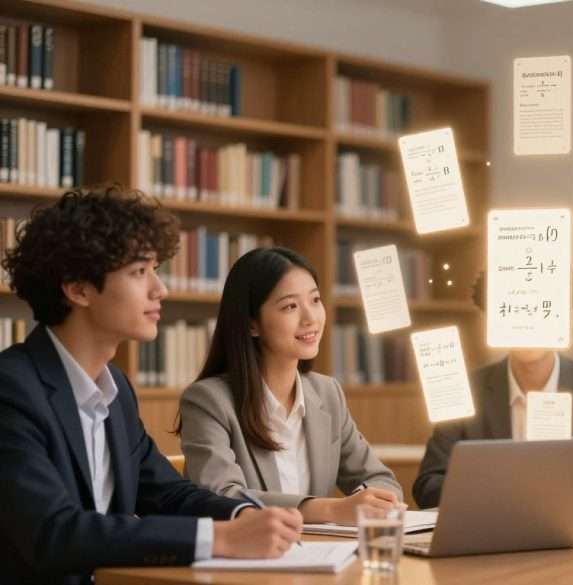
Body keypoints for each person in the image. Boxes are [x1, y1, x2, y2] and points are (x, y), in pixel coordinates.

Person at [0, 188, 302, 584]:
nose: (160, 289)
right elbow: (55, 532)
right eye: (139, 272)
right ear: (78, 289)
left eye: (155, 270)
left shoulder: (116, 392)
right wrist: (220, 537)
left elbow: (169, 494)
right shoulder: (12, 387)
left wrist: (242, 514)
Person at [178, 247, 402, 524]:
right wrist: (333, 510)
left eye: (315, 300)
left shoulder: (327, 393)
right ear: (252, 325)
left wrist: (368, 501)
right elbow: (221, 497)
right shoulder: (208, 401)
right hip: (245, 561)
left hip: (322, 556)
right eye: (290, 306)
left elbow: (380, 479)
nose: (311, 318)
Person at [412, 270, 573, 509]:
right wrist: (498, 494)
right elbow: (428, 486)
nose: (528, 319)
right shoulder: (461, 388)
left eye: (541, 307)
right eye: (512, 308)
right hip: (487, 538)